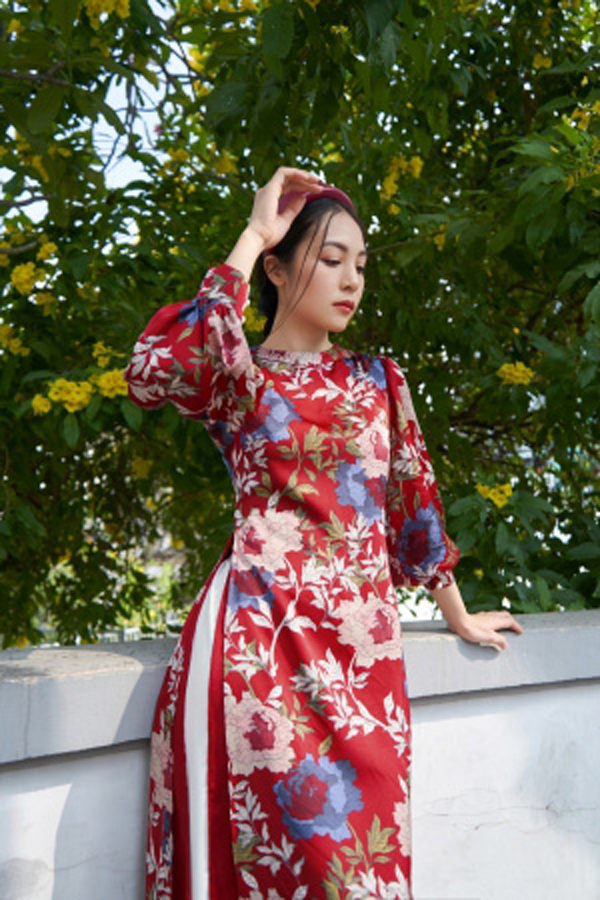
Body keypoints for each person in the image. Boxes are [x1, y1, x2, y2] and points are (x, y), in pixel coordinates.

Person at [124, 166, 523, 900]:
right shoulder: (240, 378)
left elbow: (412, 505)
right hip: (257, 649)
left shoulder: (379, 381)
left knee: (365, 871)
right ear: (276, 271)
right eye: (330, 259)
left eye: (359, 264)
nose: (351, 280)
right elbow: (154, 370)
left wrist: (458, 614)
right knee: (270, 866)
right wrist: (253, 235)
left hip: (363, 662)